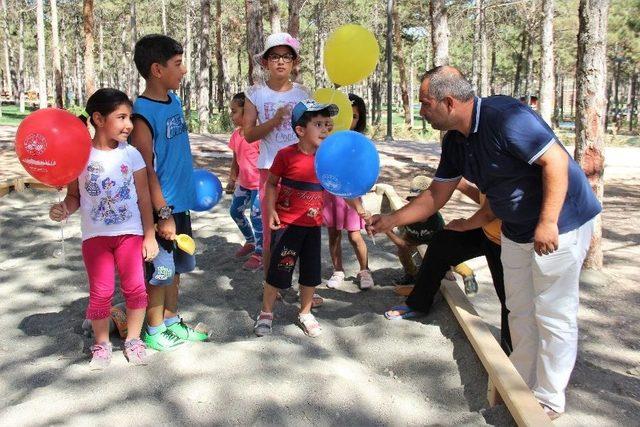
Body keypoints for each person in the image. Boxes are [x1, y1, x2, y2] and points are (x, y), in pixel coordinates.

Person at [370, 66, 601, 419]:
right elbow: (436, 195)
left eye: (425, 103)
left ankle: (550, 398)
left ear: (448, 102)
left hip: (561, 223)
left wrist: (547, 222)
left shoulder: (507, 117)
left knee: (553, 313)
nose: (421, 111)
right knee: (520, 308)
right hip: (515, 228)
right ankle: (520, 381)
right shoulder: (455, 141)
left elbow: (555, 162)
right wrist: (391, 219)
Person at [49, 88, 157, 368]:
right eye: (121, 117)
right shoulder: (79, 156)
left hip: (130, 235)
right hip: (95, 238)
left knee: (136, 288)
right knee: (101, 292)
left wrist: (149, 235)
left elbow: (144, 197)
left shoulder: (132, 154)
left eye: (130, 117)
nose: (129, 124)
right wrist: (64, 209)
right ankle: (102, 345)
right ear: (98, 118)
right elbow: (74, 197)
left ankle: (134, 340)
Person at [129, 34, 207, 352]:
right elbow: (146, 169)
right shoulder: (142, 113)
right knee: (160, 271)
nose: (184, 70)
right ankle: (154, 328)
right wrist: (162, 214)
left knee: (178, 269)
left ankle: (173, 322)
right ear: (157, 70)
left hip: (181, 204)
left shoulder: (173, 100)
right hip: (162, 208)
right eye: (178, 64)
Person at [384, 177, 512, 354]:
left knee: (510, 300)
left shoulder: (497, 163)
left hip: (510, 241)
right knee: (443, 242)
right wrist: (464, 187)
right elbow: (486, 203)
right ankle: (418, 303)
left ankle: (510, 354)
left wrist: (465, 225)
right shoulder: (479, 165)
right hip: (487, 231)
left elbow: (489, 212)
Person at [254, 100, 338, 338]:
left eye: (327, 125)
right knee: (278, 271)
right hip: (287, 225)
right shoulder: (285, 156)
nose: (325, 129)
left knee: (311, 273)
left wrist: (360, 209)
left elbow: (341, 187)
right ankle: (266, 312)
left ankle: (305, 312)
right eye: (318, 124)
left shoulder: (327, 159)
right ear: (300, 130)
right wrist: (270, 210)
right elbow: (271, 184)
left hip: (312, 226)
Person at [242, 32, 310, 276]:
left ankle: (304, 286)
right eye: (275, 57)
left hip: (301, 171)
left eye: (286, 57)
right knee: (272, 229)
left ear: (294, 62)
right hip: (269, 170)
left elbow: (313, 132)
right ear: (266, 62)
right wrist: (274, 120)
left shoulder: (304, 94)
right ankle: (272, 282)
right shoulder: (255, 93)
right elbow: (248, 134)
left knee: (302, 228)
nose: (280, 61)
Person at [384, 175, 479, 296]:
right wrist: (399, 242)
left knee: (448, 254)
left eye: (425, 207)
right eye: (415, 203)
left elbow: (445, 243)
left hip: (434, 238)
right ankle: (411, 273)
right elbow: (387, 227)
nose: (420, 211)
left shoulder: (436, 220)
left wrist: (446, 268)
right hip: (412, 236)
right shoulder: (405, 214)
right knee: (403, 251)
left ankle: (468, 273)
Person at [323, 94, 374, 290]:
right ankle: (338, 270)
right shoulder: (327, 139)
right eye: (345, 115)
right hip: (330, 192)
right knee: (334, 233)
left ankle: (364, 269)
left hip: (351, 193)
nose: (349, 120)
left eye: (354, 116)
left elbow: (364, 167)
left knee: (354, 235)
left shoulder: (359, 142)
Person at [226, 92, 263, 271]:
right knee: (235, 212)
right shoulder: (235, 135)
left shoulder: (258, 135)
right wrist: (232, 179)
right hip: (244, 183)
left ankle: (260, 252)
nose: (231, 116)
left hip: (260, 185)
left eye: (234, 111)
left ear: (247, 111)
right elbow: (235, 159)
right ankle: (250, 240)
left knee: (256, 216)